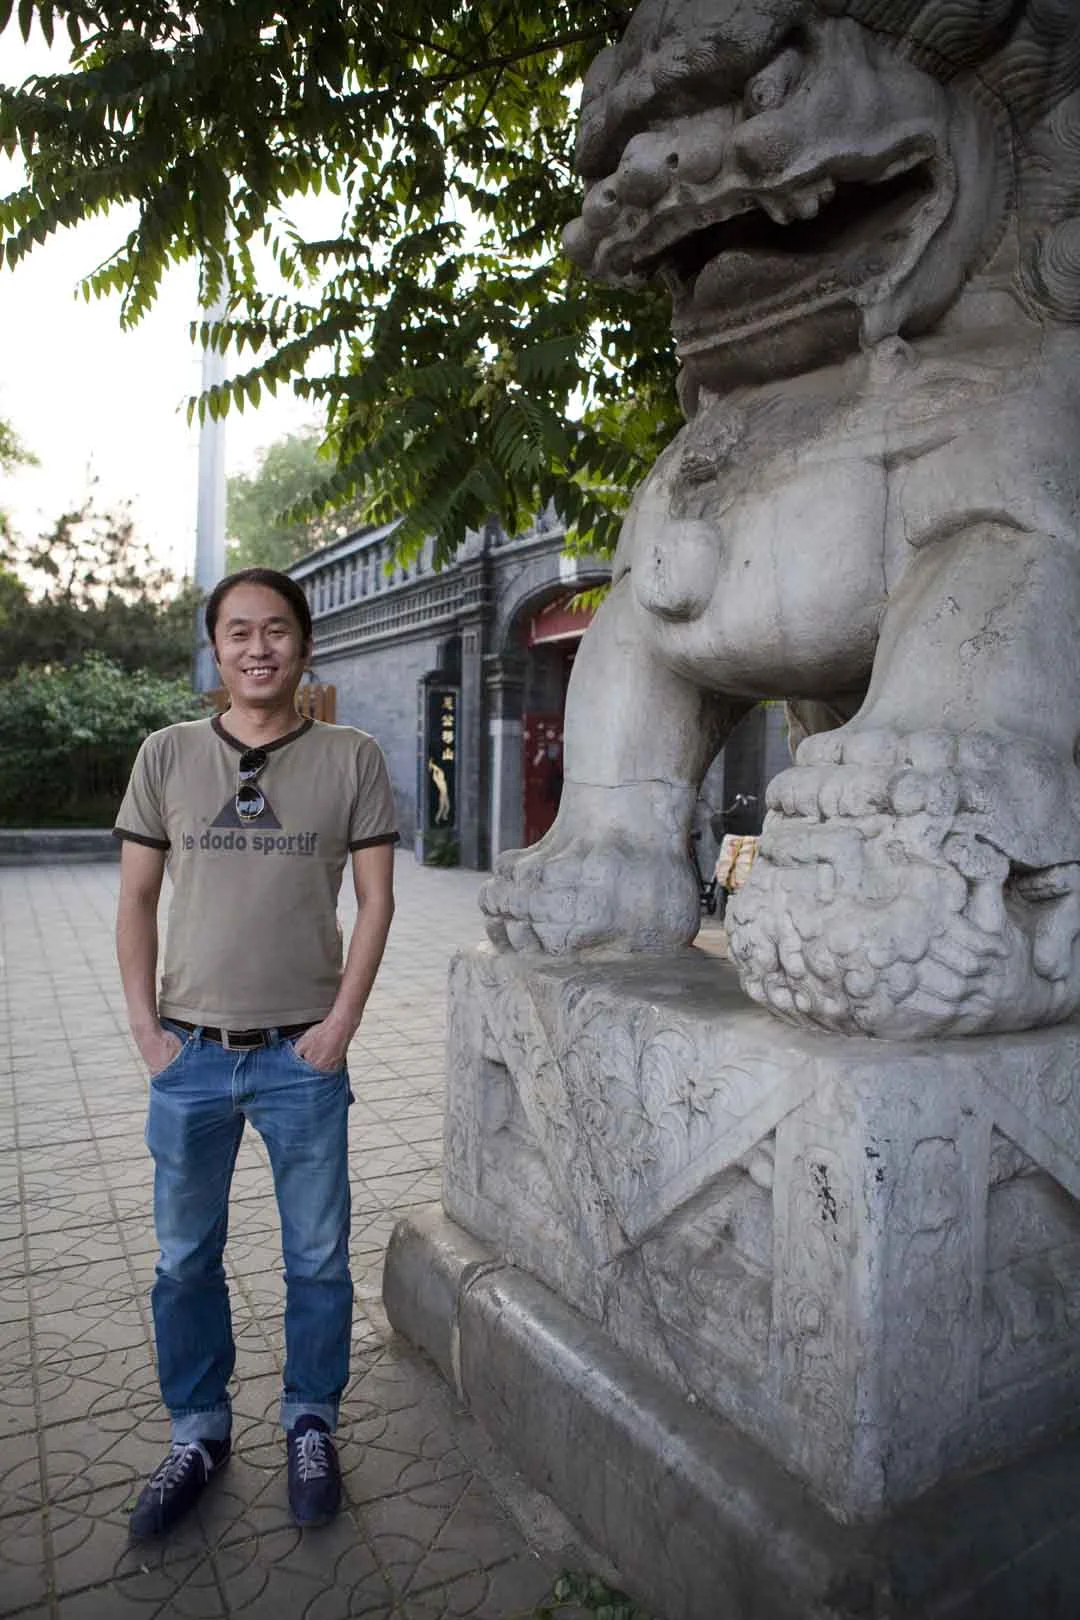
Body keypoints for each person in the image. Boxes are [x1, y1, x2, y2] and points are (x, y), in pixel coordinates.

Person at [113, 567, 397, 1538]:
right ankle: (198, 1432)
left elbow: (378, 903)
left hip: (301, 1061)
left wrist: (340, 1029)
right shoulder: (166, 754)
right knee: (184, 1260)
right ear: (217, 649)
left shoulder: (353, 757)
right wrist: (147, 1034)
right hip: (189, 1058)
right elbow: (135, 900)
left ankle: (311, 1422)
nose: (258, 647)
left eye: (276, 630)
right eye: (238, 631)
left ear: (304, 646)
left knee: (317, 1259)